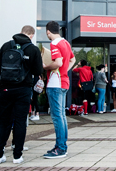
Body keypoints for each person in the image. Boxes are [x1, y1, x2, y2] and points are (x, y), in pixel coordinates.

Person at [0, 25, 43, 165]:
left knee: (3, 121)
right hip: (23, 89)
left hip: (5, 89)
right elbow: (38, 70)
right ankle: (17, 156)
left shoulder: (6, 46)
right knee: (21, 121)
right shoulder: (32, 49)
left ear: (21, 32)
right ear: (31, 35)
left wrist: (0, 84)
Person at [43, 21, 76, 159]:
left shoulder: (54, 43)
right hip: (63, 82)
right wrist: (64, 72)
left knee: (57, 117)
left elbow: (58, 62)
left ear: (48, 32)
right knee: (61, 116)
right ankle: (62, 146)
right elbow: (72, 60)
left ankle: (60, 148)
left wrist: (45, 67)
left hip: (55, 83)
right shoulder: (66, 43)